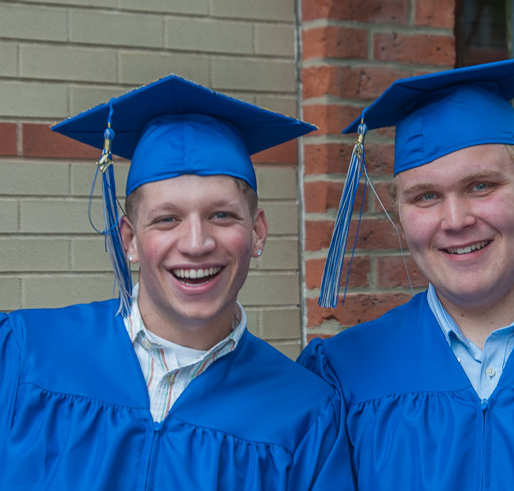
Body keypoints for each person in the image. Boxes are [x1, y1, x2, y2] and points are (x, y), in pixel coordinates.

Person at [0, 75, 355, 490]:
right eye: (167, 219)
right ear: (130, 239)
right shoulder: (26, 355)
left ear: (257, 232)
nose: (196, 243)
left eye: (221, 215)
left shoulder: (306, 414)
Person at [298, 50, 514, 490]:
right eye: (425, 196)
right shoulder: (346, 376)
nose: (455, 220)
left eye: (481, 186)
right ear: (400, 211)